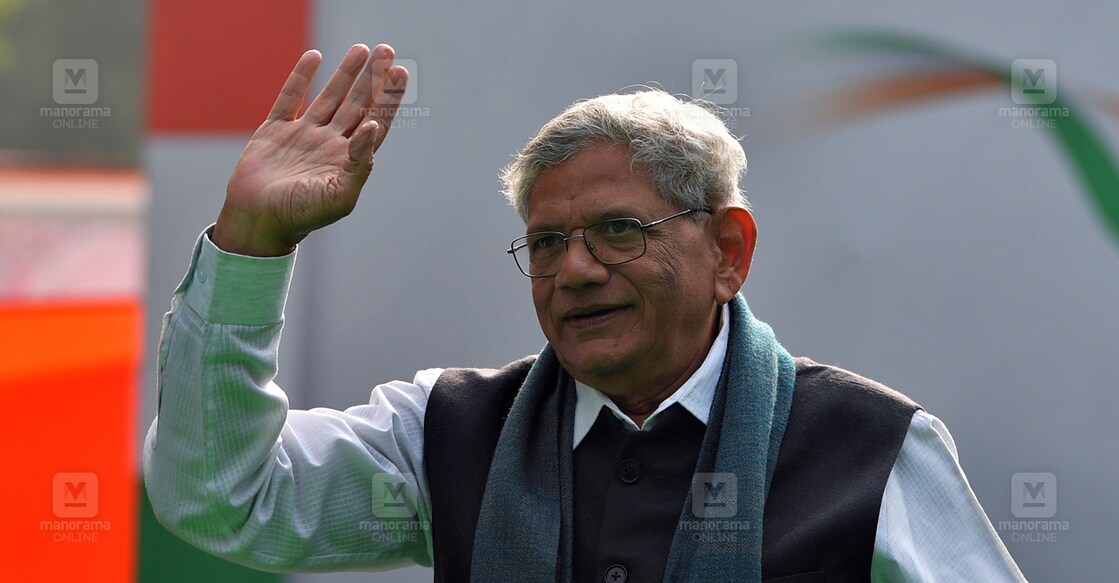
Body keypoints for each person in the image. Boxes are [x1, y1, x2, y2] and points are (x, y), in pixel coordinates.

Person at [143, 43, 1028, 582]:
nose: (573, 269)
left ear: (728, 252)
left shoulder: (870, 447)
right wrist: (252, 244)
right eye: (544, 242)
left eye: (617, 230)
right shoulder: (450, 432)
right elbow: (224, 497)